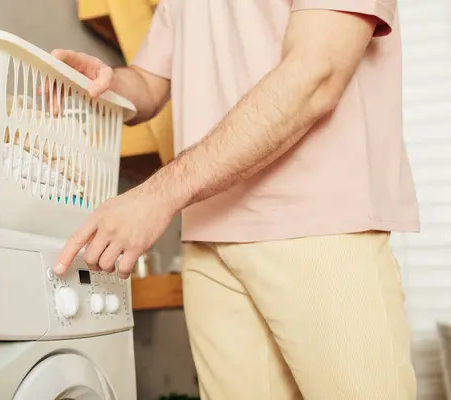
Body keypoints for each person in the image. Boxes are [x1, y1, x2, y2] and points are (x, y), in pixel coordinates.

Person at [52, 1, 419, 398]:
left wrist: (158, 194)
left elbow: (316, 74)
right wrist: (110, 84)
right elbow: (150, 81)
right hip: (209, 237)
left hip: (318, 229)